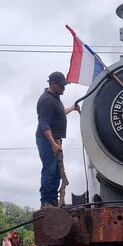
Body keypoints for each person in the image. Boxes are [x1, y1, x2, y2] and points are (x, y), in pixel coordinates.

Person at [36, 71, 80, 208]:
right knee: (50, 169)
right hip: (47, 140)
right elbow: (44, 124)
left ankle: (53, 200)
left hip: (54, 140)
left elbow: (59, 113)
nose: (64, 88)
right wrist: (53, 143)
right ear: (53, 84)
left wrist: (72, 108)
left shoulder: (55, 98)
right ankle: (46, 201)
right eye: (61, 86)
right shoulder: (46, 100)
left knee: (55, 170)